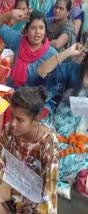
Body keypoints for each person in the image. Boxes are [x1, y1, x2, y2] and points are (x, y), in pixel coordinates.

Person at [0, 86, 58, 214]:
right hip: (12, 189)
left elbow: (49, 191)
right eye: (12, 116)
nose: (13, 123)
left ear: (36, 119)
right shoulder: (9, 130)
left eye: (20, 120)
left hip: (35, 204)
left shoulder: (47, 145)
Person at [0, 10, 58, 114]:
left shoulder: (52, 54)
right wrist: (9, 14)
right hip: (10, 94)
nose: (37, 32)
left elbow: (56, 85)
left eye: (41, 28)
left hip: (31, 104)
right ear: (26, 31)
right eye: (33, 28)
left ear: (45, 31)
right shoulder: (18, 41)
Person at [51, 52, 88, 199]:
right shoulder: (74, 70)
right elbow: (65, 98)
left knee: (79, 153)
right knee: (55, 149)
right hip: (64, 117)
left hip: (83, 125)